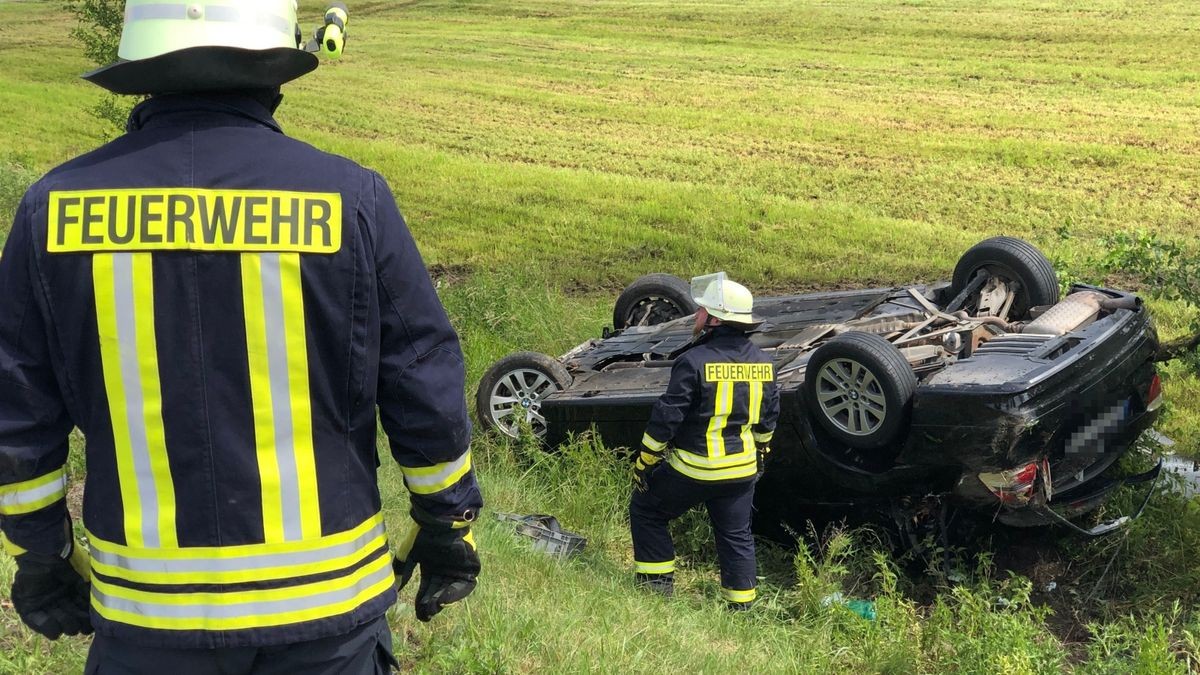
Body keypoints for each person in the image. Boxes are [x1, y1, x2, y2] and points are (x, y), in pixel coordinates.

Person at [0, 2, 481, 672]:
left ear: (140, 72)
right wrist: (446, 523)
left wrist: (41, 555)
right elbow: (423, 383)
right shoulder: (352, 201)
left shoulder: (52, 211)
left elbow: (17, 416)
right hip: (326, 620)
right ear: (273, 76)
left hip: (147, 622)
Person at [629, 273, 780, 610]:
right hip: (741, 472)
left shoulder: (693, 362)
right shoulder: (764, 363)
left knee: (647, 509)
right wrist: (761, 453)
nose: (695, 316)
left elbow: (666, 418)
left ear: (714, 320)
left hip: (696, 468)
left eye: (701, 311)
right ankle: (741, 608)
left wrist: (645, 462)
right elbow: (768, 420)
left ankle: (656, 591)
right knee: (736, 535)